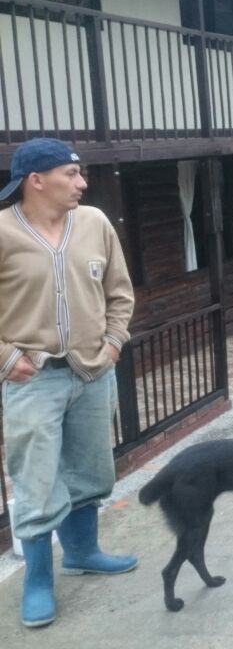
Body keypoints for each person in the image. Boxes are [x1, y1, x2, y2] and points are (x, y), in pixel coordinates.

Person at [0, 138, 138, 628]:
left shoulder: (95, 223)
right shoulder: (2, 231)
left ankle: (83, 551)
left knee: (91, 468)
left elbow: (119, 293)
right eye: (71, 174)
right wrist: (4, 357)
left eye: (81, 174)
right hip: (32, 379)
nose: (82, 183)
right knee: (36, 480)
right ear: (36, 180)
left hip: (93, 371)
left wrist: (115, 343)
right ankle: (38, 581)